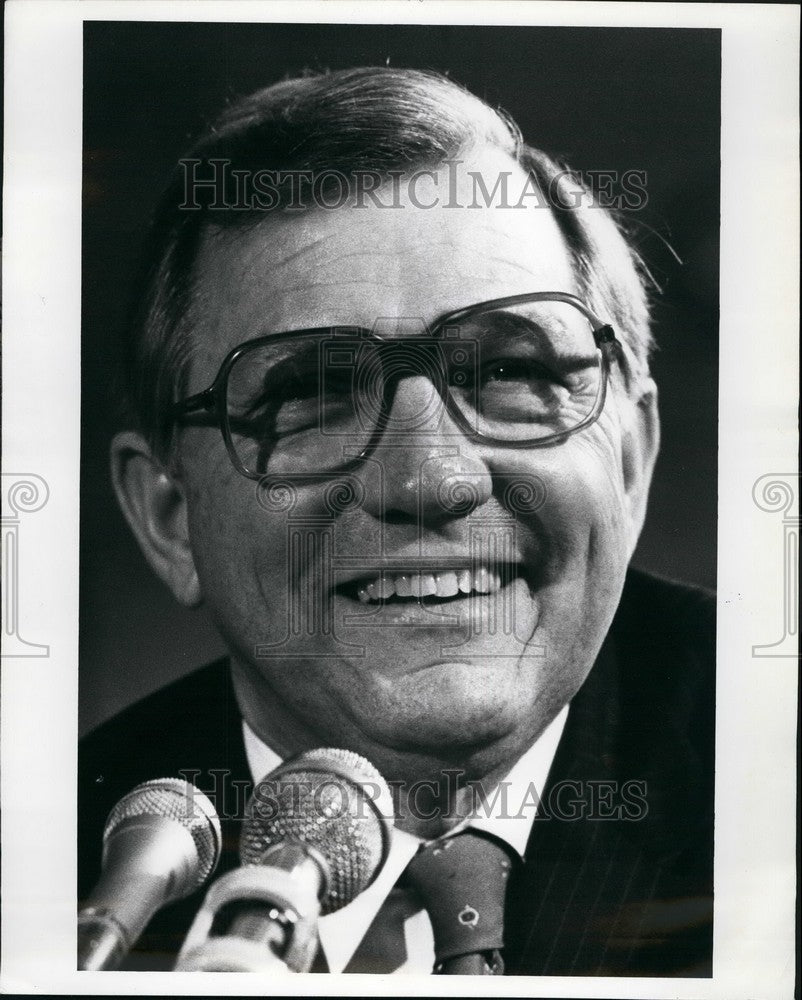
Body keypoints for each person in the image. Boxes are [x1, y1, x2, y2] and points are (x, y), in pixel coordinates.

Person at [78, 67, 714, 976]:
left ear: (628, 460)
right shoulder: (49, 878)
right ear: (171, 518)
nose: (431, 476)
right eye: (309, 393)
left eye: (507, 372)